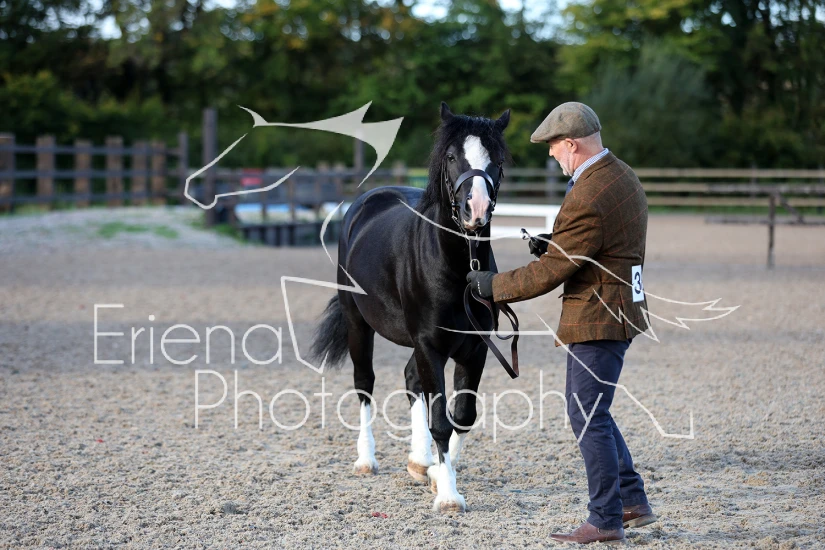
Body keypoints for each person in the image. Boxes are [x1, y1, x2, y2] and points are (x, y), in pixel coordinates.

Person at [467, 102, 656, 545]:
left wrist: (493, 286)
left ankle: (605, 518)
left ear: (571, 143)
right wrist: (555, 243)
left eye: (553, 146)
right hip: (622, 306)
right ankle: (632, 501)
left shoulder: (588, 193)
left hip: (599, 315)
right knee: (594, 411)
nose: (551, 154)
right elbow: (600, 241)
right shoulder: (620, 174)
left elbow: (552, 272)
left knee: (587, 415)